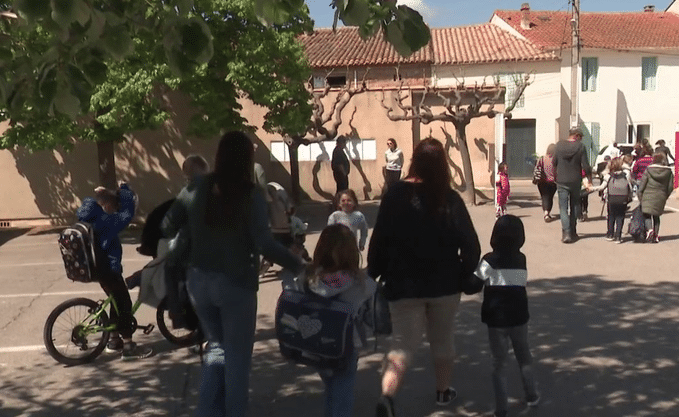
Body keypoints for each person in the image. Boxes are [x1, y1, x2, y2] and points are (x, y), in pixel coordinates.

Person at [161, 131, 305, 417]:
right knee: (237, 362)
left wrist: (194, 229)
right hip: (236, 283)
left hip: (199, 281)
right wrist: (299, 265)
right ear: (247, 160)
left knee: (216, 348)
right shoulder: (250, 195)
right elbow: (265, 244)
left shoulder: (195, 188)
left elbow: (166, 225)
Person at [368, 137, 481, 417]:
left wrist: (374, 272)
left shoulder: (394, 195)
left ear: (414, 161)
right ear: (443, 165)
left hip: (402, 283)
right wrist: (464, 273)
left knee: (402, 344)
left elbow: (379, 240)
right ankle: (443, 392)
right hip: (444, 284)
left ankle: (387, 396)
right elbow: (471, 244)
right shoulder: (449, 198)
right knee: (442, 340)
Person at [298, 223, 377, 417]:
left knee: (332, 388)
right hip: (346, 344)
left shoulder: (309, 278)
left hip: (315, 343)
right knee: (343, 389)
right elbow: (373, 295)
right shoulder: (361, 282)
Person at [76, 183, 152, 360]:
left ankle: (113, 340)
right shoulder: (105, 221)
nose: (115, 210)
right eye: (113, 206)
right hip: (108, 270)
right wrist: (125, 190)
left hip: (98, 270)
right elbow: (127, 213)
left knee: (115, 302)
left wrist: (109, 193)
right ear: (108, 206)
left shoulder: (89, 216)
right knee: (124, 304)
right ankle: (129, 347)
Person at [473, 215, 539, 417]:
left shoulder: (489, 261)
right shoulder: (521, 259)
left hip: (496, 319)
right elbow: (517, 285)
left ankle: (501, 408)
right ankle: (531, 395)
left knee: (499, 364)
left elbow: (474, 284)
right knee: (524, 358)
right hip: (519, 317)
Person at [553, 128, 592, 243]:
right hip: (575, 180)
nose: (581, 140)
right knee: (575, 205)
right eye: (580, 137)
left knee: (563, 208)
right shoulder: (580, 147)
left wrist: (555, 176)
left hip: (561, 180)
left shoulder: (558, 145)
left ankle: (566, 233)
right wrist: (589, 178)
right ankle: (573, 231)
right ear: (576, 136)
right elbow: (585, 165)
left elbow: (554, 162)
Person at [591, 157, 631, 243]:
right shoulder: (626, 175)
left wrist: (592, 188)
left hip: (612, 198)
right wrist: (630, 196)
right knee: (620, 217)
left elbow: (602, 187)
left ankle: (610, 234)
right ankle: (618, 236)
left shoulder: (608, 176)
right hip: (623, 198)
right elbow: (629, 187)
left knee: (611, 216)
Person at [637, 152, 675, 243]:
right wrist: (665, 195)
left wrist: (640, 195)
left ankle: (650, 230)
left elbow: (642, 185)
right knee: (656, 216)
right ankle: (656, 236)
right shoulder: (669, 172)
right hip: (660, 195)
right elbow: (670, 187)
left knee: (647, 215)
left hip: (647, 195)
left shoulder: (648, 170)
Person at [536, 144, 557, 222]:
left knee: (544, 197)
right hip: (553, 182)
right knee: (550, 197)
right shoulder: (555, 160)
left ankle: (546, 212)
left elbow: (537, 168)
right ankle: (547, 213)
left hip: (542, 181)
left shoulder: (542, 159)